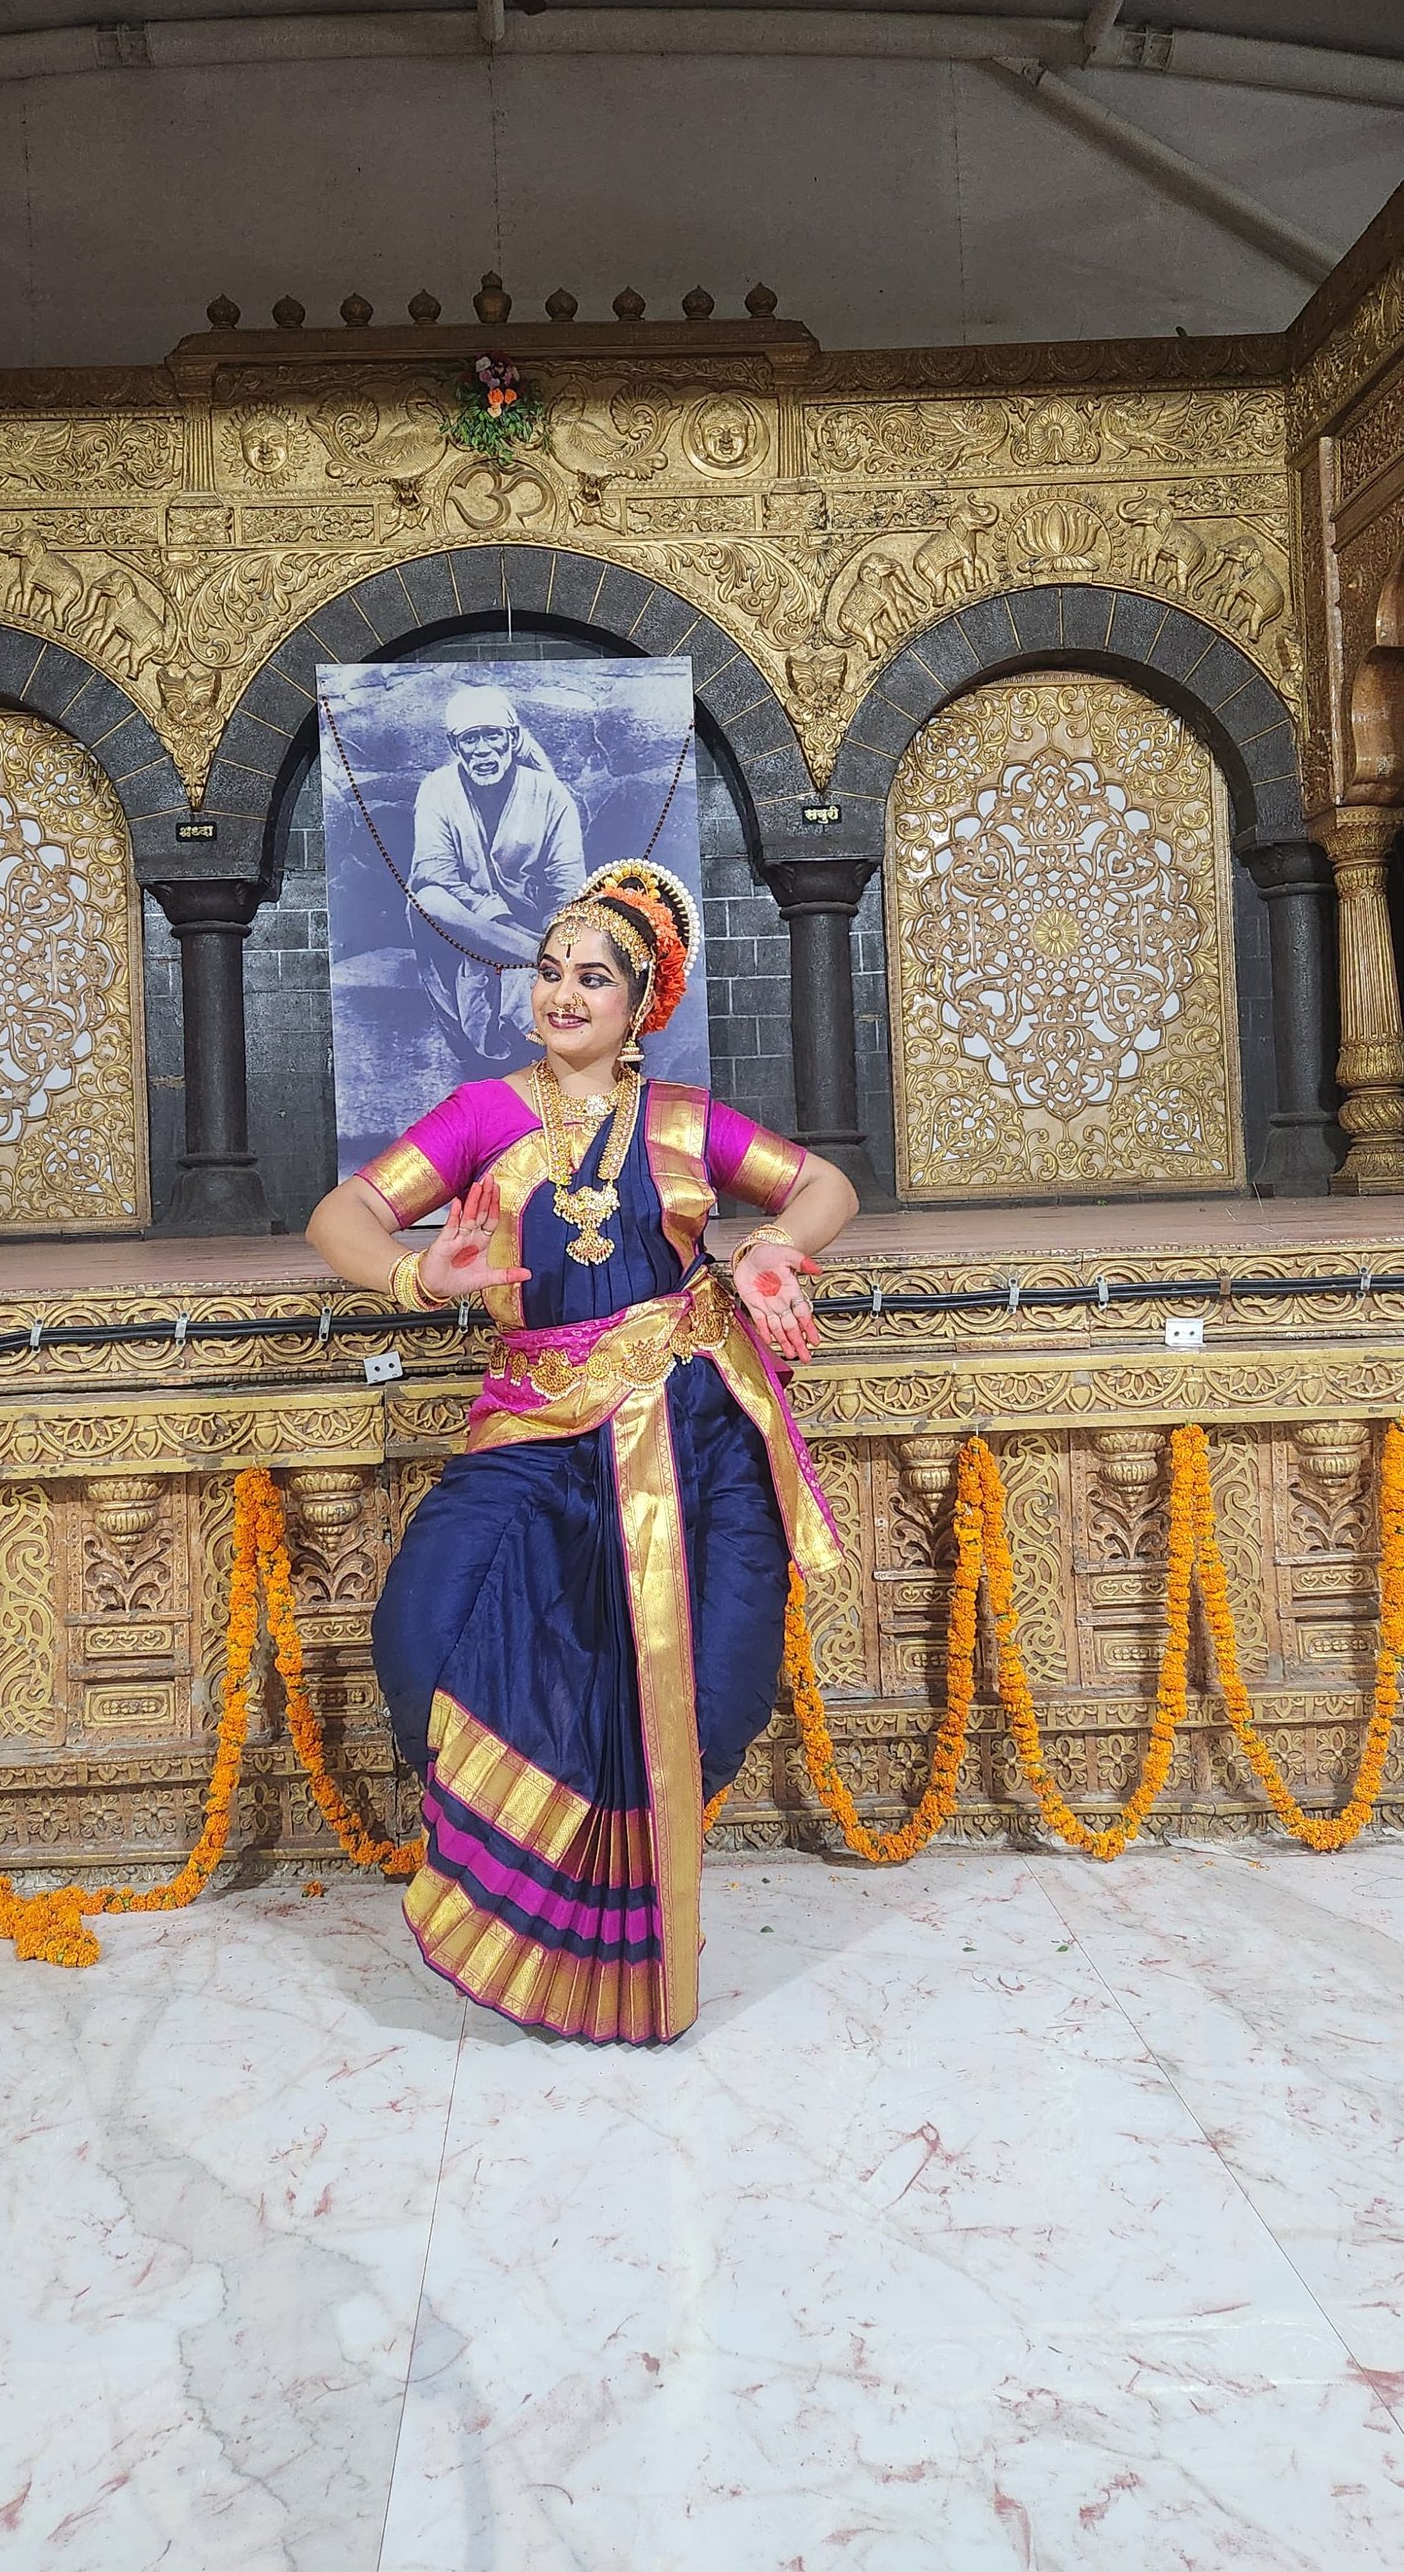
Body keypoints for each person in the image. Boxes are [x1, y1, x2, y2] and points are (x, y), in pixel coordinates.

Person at [306, 859, 858, 2046]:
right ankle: (534, 1896)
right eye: (550, 970)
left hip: (693, 1437)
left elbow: (822, 1183)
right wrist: (415, 1273)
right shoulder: (480, 1117)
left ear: (637, 1002)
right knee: (423, 1642)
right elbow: (339, 1216)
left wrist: (771, 1253)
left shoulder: (682, 1122)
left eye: (592, 977)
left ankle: (622, 1928)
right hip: (532, 1431)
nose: (562, 994)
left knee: (709, 1706)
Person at [406, 682, 587, 1069]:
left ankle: (545, 958)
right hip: (467, 925)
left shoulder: (551, 795)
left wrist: (550, 930)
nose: (483, 750)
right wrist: (495, 916)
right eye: (471, 739)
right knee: (427, 900)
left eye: (493, 736)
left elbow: (567, 885)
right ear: (456, 747)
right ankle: (543, 958)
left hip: (537, 925)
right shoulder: (437, 789)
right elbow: (432, 871)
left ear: (513, 738)